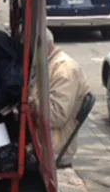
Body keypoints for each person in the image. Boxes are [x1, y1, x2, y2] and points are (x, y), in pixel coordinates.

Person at [32, 28, 90, 168]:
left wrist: (31, 104)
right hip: (44, 139)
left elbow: (56, 116)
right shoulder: (47, 64)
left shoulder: (64, 69)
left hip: (53, 146)